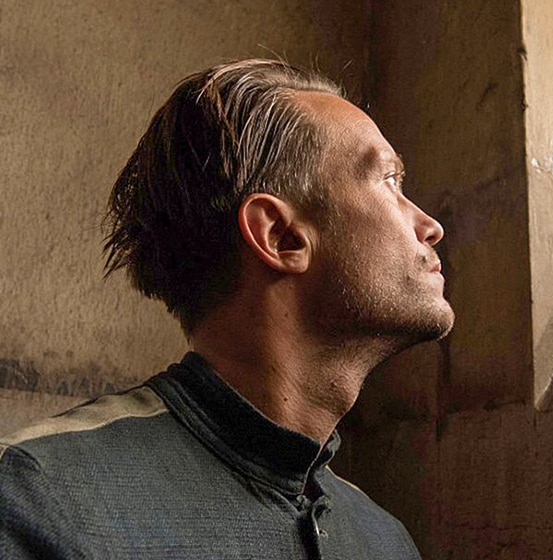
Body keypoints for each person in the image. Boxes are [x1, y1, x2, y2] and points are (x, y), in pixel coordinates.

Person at [0, 59, 454, 559]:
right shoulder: (38, 499)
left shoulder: (384, 541)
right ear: (280, 236)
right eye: (389, 180)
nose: (429, 225)